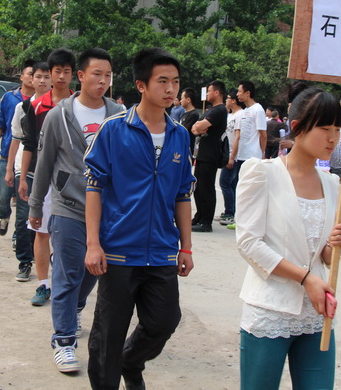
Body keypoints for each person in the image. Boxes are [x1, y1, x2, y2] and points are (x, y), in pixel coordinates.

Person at [84, 48, 196, 390]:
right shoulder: (114, 130)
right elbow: (94, 186)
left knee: (164, 321)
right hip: (118, 251)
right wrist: (93, 244)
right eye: (162, 81)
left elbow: (182, 194)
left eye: (175, 82)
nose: (171, 89)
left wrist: (186, 247)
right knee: (109, 335)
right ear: (141, 85)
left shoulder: (179, 135)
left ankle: (131, 363)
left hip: (161, 250)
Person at [235, 83, 341, 390]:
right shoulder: (263, 172)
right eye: (324, 128)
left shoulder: (333, 184)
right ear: (298, 127)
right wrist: (306, 279)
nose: (332, 138)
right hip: (270, 309)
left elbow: (323, 254)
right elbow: (248, 244)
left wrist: (336, 244)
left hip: (315, 313)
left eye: (337, 129)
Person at [27, 48, 122, 374]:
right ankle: (64, 341)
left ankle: (74, 306)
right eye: (97, 74)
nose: (103, 81)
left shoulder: (119, 115)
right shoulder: (59, 115)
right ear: (80, 76)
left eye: (108, 75)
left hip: (107, 211)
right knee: (67, 275)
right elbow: (45, 163)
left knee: (95, 270)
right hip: (68, 206)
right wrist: (36, 205)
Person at [20, 49, 76, 304]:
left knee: (67, 236)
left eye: (66, 72)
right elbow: (29, 143)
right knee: (41, 232)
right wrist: (23, 177)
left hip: (72, 183)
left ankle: (65, 284)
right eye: (57, 71)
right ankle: (43, 284)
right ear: (49, 74)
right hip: (42, 180)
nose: (61, 77)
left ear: (74, 75)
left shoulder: (79, 106)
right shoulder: (34, 107)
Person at [6, 62, 51, 283]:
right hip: (26, 168)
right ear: (31, 80)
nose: (42, 81)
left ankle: (44, 257)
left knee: (45, 219)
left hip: (52, 170)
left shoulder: (60, 108)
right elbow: (16, 139)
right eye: (38, 76)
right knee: (24, 216)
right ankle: (24, 261)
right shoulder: (22, 108)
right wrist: (11, 170)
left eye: (46, 77)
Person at [0, 63, 34, 236]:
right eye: (29, 74)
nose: (32, 77)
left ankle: (18, 234)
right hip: (9, 154)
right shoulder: (9, 97)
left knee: (24, 200)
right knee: (3, 194)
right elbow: (0, 124)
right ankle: (4, 216)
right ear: (21, 77)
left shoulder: (41, 101)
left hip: (29, 159)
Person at [226, 80, 267, 229]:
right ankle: (240, 219)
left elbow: (263, 134)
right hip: (241, 156)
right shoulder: (244, 112)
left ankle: (249, 223)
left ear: (248, 93)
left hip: (252, 156)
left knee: (250, 191)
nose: (237, 94)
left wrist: (262, 154)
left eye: (239, 91)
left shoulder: (258, 110)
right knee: (240, 188)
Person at [190, 80, 228, 232]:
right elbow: (195, 129)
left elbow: (198, 126)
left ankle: (206, 222)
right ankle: (199, 216)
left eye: (209, 91)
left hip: (210, 155)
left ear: (217, 92)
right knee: (198, 188)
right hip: (201, 154)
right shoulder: (211, 110)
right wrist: (200, 127)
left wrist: (200, 127)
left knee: (206, 188)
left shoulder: (219, 110)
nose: (207, 94)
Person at [218, 89, 243, 226]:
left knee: (225, 182)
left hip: (234, 155)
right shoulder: (230, 115)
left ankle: (230, 213)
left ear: (233, 100)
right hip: (228, 153)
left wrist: (232, 157)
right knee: (231, 184)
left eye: (228, 98)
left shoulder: (240, 115)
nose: (226, 100)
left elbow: (238, 137)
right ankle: (231, 211)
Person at [178, 87, 199, 158]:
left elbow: (182, 130)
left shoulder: (193, 115)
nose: (180, 101)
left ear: (188, 100)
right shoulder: (184, 114)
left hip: (187, 149)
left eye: (182, 98)